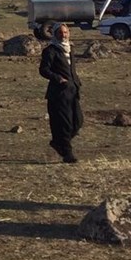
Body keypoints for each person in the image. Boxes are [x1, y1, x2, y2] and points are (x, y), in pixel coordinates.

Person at [38, 22, 82, 163]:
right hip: (59, 93)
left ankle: (58, 142)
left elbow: (71, 69)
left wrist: (77, 82)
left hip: (73, 91)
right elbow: (44, 70)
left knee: (78, 122)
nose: (64, 35)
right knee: (65, 124)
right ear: (55, 34)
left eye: (65, 32)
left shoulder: (70, 49)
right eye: (60, 33)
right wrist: (58, 78)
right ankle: (67, 153)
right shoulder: (50, 50)